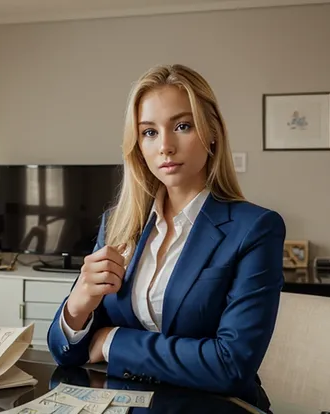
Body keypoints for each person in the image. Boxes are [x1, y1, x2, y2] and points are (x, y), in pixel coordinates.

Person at [47, 64, 286, 411]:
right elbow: (64, 351)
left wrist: (114, 341)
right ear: (137, 145)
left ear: (212, 132)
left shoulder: (255, 228)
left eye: (182, 126)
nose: (166, 147)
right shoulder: (117, 224)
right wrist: (80, 300)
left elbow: (231, 365)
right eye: (149, 132)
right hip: (124, 404)